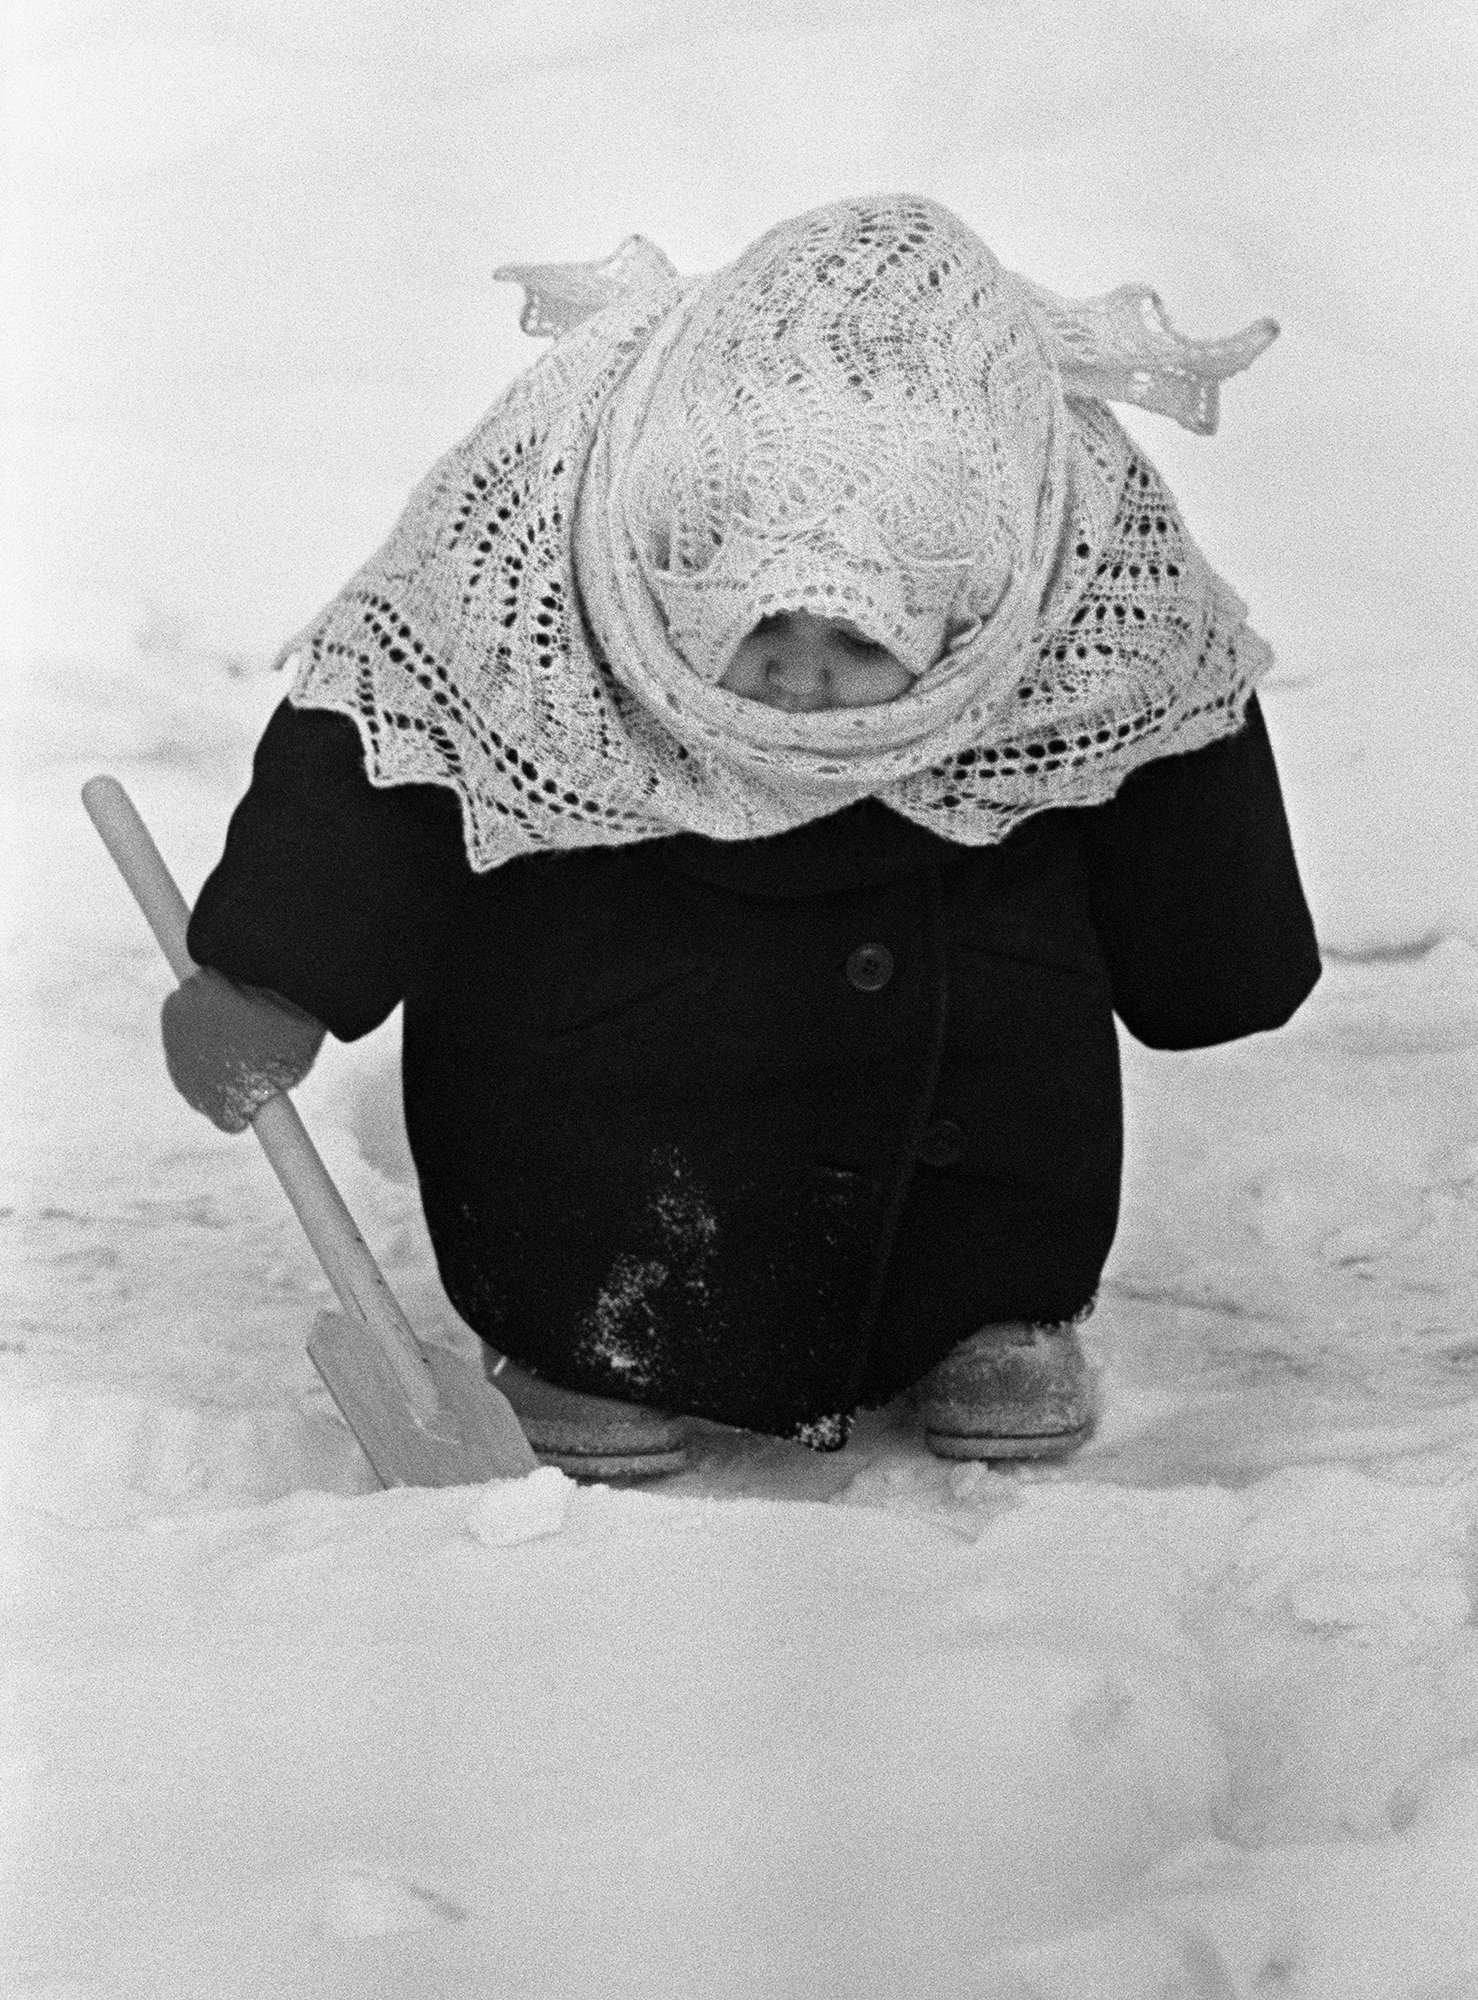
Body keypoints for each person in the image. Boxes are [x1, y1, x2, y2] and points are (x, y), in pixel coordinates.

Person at [161, 195, 1321, 1478]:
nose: (802, 685)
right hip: (596, 1035)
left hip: (962, 1049)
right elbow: (399, 726)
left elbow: (1170, 715)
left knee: (995, 1118)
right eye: (763, 632)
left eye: (854, 643)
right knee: (592, 1161)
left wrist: (1217, 952)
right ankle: (578, 1338)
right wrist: (273, 971)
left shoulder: (1071, 534)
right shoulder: (546, 518)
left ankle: (987, 1311)